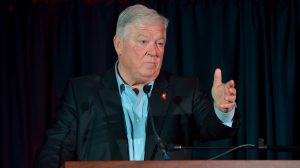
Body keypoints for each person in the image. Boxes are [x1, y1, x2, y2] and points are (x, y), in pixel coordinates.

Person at [36, 4, 238, 168]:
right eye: (143, 41)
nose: (154, 52)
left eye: (159, 43)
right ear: (118, 45)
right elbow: (54, 150)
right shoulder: (82, 93)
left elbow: (213, 128)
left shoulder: (183, 91)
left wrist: (222, 110)